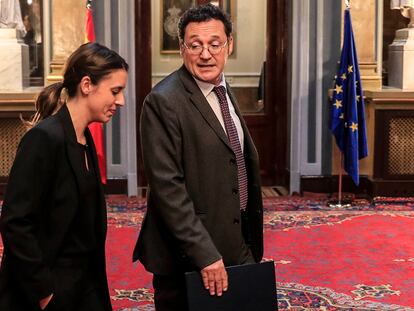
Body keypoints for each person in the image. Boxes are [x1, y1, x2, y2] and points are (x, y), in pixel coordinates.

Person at [133, 4, 263, 310]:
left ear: (229, 45)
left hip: (235, 242)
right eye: (195, 45)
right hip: (188, 257)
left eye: (215, 44)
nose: (206, 54)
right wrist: (205, 254)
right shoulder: (163, 102)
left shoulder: (222, 87)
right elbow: (168, 190)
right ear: (182, 49)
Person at [0, 42, 128, 311]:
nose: (121, 101)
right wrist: (44, 293)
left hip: (85, 285)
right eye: (115, 91)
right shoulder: (44, 139)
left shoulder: (84, 138)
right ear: (86, 85)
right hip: (48, 291)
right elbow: (16, 223)